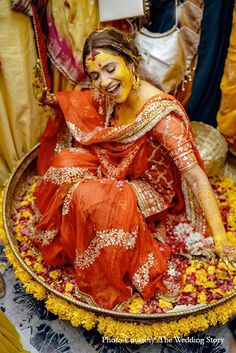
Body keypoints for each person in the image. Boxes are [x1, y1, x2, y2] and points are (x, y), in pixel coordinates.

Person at [31, 27, 236, 310]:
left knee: (89, 198)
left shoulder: (162, 118)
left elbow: (196, 177)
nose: (103, 82)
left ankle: (110, 265)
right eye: (95, 75)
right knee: (65, 162)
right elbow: (86, 100)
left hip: (150, 188)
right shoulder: (113, 91)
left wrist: (221, 236)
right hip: (114, 166)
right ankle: (76, 240)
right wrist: (51, 100)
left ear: (130, 60)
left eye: (110, 68)